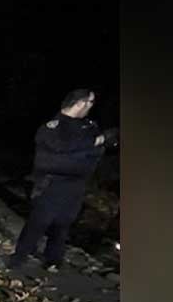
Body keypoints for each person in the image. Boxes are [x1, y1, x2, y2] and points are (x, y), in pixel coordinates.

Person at [8, 89, 109, 272]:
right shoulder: (53, 127)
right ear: (80, 103)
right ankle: (20, 257)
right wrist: (90, 146)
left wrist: (83, 151)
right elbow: (53, 156)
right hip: (52, 183)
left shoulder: (89, 126)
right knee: (39, 222)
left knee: (63, 224)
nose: (92, 106)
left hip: (77, 185)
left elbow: (96, 153)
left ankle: (53, 260)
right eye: (90, 102)